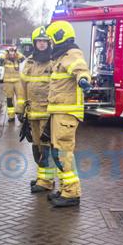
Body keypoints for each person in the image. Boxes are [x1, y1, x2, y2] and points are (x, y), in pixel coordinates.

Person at [45, 20, 92, 208]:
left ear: (59, 36)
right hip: (59, 112)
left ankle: (72, 193)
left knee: (63, 153)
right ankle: (66, 188)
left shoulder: (72, 54)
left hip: (66, 113)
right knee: (58, 152)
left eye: (51, 39)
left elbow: (81, 70)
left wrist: (83, 80)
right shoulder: (60, 57)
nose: (50, 43)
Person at [16, 27, 54, 194]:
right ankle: (41, 177)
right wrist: (20, 110)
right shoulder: (29, 62)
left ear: (49, 43)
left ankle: (46, 181)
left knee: (46, 148)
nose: (42, 44)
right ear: (34, 43)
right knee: (37, 147)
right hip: (33, 114)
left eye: (45, 41)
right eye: (39, 41)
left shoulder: (53, 61)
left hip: (47, 114)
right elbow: (22, 87)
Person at [2, 46, 24, 122]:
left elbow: (23, 58)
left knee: (21, 99)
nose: (12, 54)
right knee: (9, 99)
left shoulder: (17, 59)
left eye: (13, 52)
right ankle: (11, 116)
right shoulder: (5, 60)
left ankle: (20, 114)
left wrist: (16, 52)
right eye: (10, 52)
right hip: (8, 82)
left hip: (17, 81)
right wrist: (5, 53)